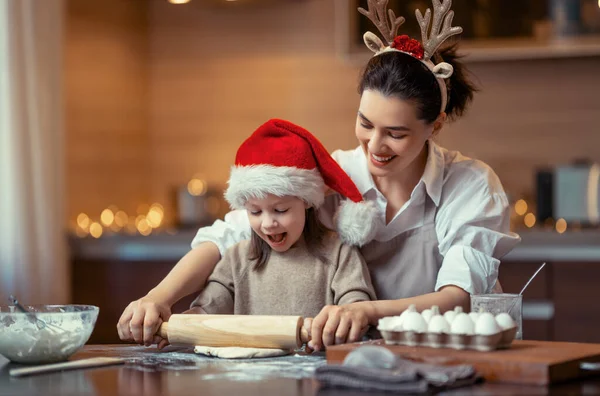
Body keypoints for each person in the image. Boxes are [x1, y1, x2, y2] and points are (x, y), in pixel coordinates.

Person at [117, 0, 520, 352]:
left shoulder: (470, 185)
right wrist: (158, 298)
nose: (375, 145)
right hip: (355, 359)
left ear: (436, 126)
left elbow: (459, 297)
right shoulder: (327, 174)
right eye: (365, 124)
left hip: (442, 352)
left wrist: (364, 310)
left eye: (395, 134)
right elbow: (228, 238)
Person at [118, 119, 379, 348]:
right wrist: (183, 327)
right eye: (255, 212)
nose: (268, 224)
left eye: (280, 209)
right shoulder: (238, 257)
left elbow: (354, 304)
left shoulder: (339, 253)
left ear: (307, 202)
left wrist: (341, 321)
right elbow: (210, 306)